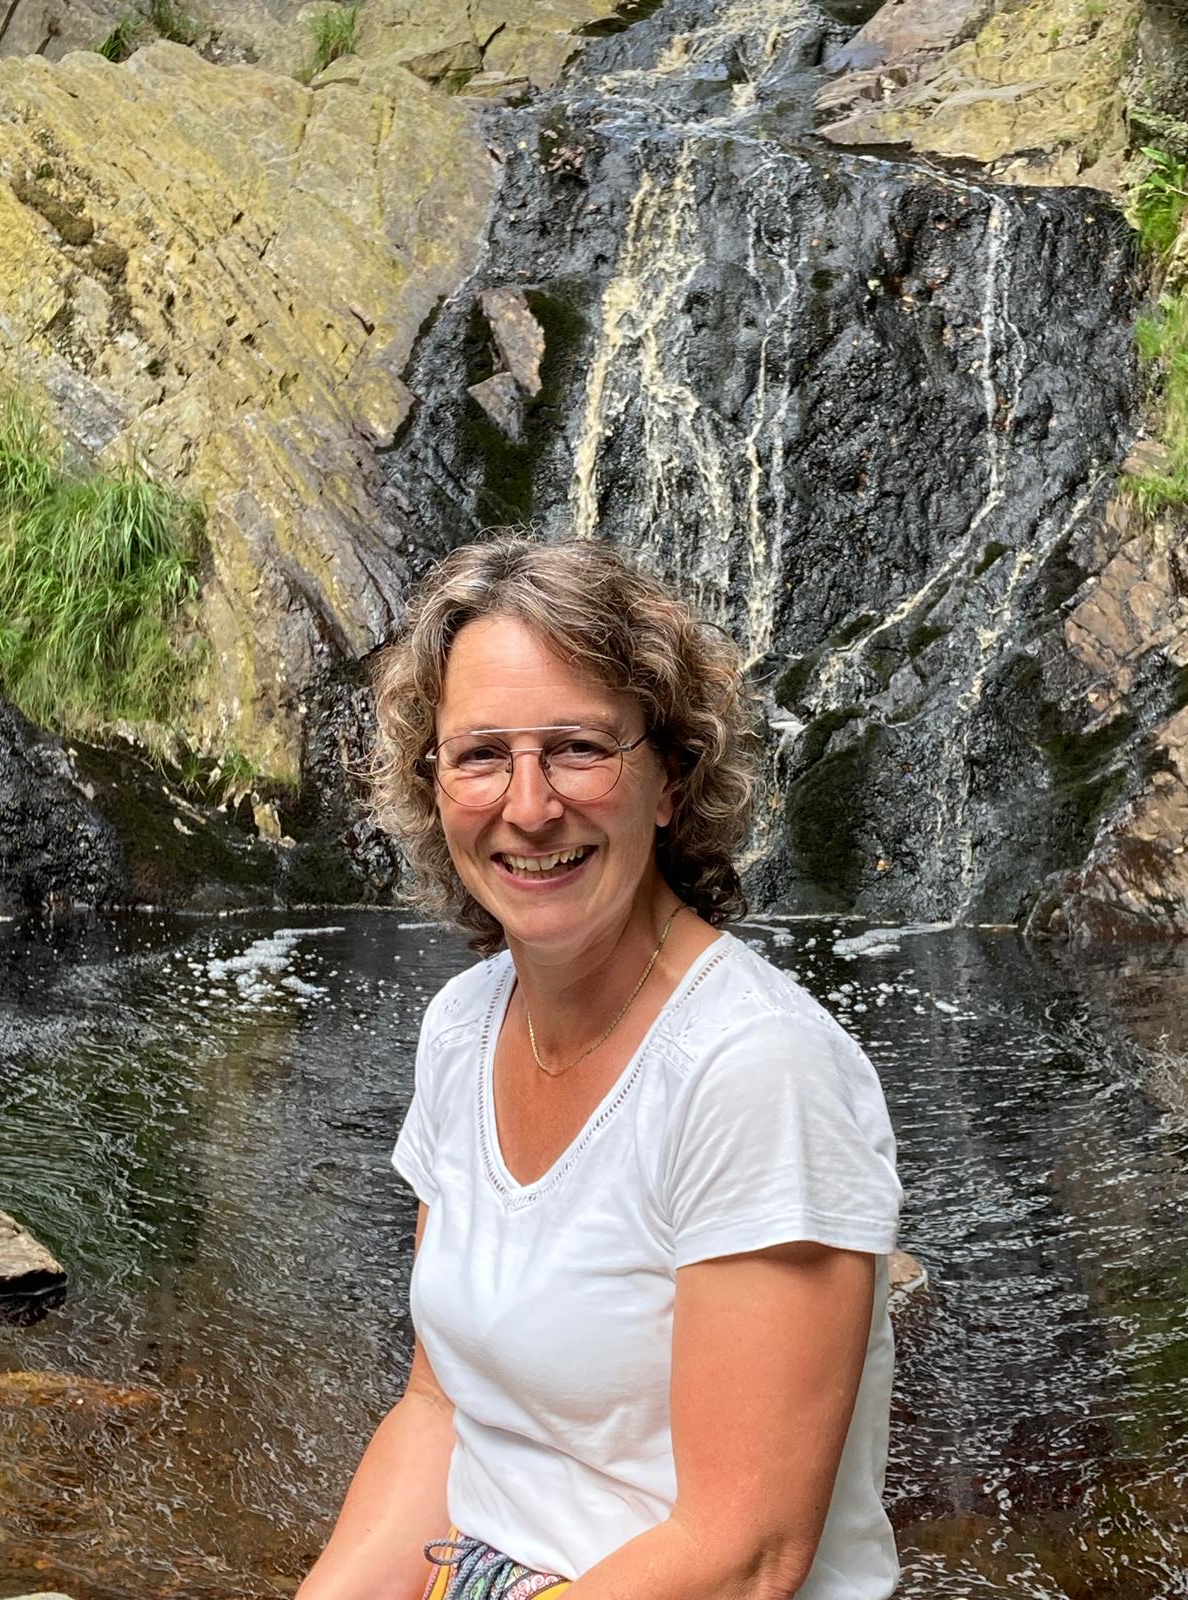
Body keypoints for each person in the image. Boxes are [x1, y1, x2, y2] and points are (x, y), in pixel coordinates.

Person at [296, 534, 903, 1600]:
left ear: (670, 779)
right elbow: (442, 1411)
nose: (530, 806)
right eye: (481, 755)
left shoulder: (758, 1071)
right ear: (433, 785)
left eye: (577, 748)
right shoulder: (463, 1025)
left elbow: (744, 1556)